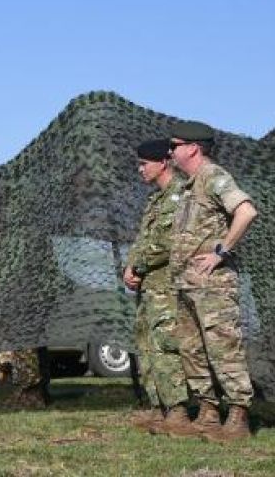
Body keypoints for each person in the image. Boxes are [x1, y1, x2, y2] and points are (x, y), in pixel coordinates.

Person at [158, 121, 258, 441]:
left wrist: (220, 252)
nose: (170, 153)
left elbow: (246, 211)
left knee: (223, 348)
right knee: (192, 349)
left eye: (174, 146)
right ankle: (208, 413)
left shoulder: (214, 176)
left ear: (193, 148)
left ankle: (238, 417)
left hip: (213, 285)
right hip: (187, 285)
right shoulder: (189, 186)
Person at [121, 139, 189, 433]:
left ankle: (179, 411)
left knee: (166, 347)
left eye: (144, 164)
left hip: (168, 286)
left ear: (163, 162)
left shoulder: (180, 195)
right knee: (147, 346)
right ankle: (158, 407)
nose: (140, 169)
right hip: (149, 286)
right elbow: (142, 240)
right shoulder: (155, 200)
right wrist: (129, 268)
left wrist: (138, 266)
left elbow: (166, 243)